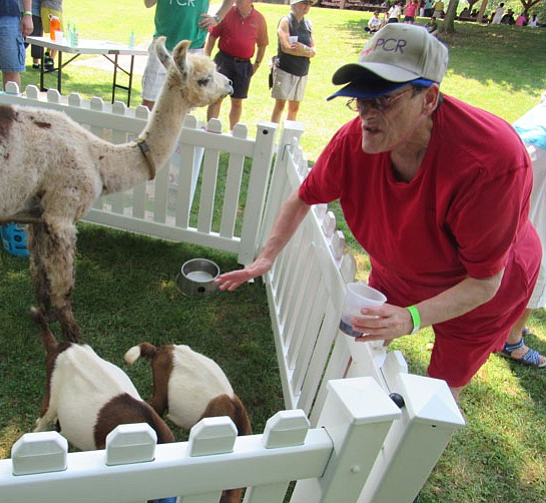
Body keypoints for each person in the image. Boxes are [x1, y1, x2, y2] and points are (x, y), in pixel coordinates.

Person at [216, 24, 541, 401]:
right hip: (404, 265)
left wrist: (413, 317)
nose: (366, 114)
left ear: (430, 98)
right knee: (363, 348)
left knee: (437, 394)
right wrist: (266, 258)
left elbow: (486, 282)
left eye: (383, 99)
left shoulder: (490, 162)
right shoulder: (353, 142)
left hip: (482, 285)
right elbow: (304, 197)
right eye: (360, 98)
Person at [506, 94, 546, 368]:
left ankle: (508, 321)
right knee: (537, 255)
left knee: (518, 242)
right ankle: (511, 338)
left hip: (526, 142)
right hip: (538, 153)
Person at [141, 0, 234, 110]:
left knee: (186, 100)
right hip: (164, 45)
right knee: (149, 99)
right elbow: (148, 3)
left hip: (193, 46)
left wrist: (217, 18)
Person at [204, 0, 269, 131]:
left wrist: (256, 64)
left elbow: (262, 44)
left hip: (243, 65)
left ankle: (234, 132)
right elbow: (212, 37)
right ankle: (210, 130)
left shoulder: (259, 19)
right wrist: (207, 59)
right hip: (224, 61)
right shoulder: (227, 13)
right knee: (217, 97)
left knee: (237, 101)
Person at [270, 0, 316, 124]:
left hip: (302, 71)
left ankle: (287, 139)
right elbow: (286, 48)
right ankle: (271, 137)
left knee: (294, 108)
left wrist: (303, 48)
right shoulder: (285, 21)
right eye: (304, 2)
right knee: (280, 106)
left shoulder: (308, 24)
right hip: (285, 69)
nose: (307, 6)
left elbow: (313, 51)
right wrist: (306, 52)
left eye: (310, 3)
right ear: (294, 3)